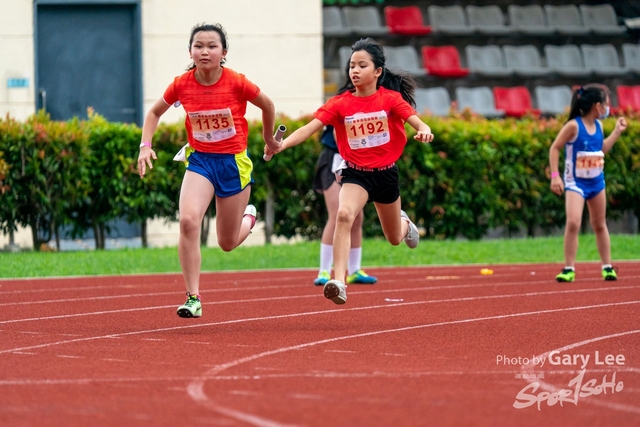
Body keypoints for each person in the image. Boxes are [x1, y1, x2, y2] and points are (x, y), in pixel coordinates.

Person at [266, 37, 434, 304]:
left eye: (361, 65)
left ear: (377, 72)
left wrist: (424, 132)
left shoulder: (391, 100)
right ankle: (339, 281)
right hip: (356, 174)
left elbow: (419, 123)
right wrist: (281, 145)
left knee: (393, 238)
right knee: (344, 215)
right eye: (351, 66)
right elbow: (309, 129)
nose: (354, 71)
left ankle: (406, 224)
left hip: (386, 174)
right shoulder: (340, 103)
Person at [137, 23, 280, 318]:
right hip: (200, 161)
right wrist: (144, 145)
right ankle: (193, 297)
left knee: (226, 243)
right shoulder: (182, 84)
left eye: (212, 46)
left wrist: (269, 140)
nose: (204, 51)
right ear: (190, 51)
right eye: (198, 46)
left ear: (223, 53)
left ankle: (248, 218)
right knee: (188, 221)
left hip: (232, 164)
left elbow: (267, 105)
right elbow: (154, 112)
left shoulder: (237, 82)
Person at [549, 84, 627, 282]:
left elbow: (602, 149)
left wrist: (617, 132)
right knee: (573, 222)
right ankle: (568, 268)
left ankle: (607, 267)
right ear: (597, 105)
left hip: (596, 182)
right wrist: (555, 176)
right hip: (576, 182)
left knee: (600, 224)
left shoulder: (599, 127)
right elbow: (555, 148)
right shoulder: (574, 126)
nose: (608, 108)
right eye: (606, 104)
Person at [313, 124, 378, 287]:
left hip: (356, 160)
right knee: (336, 215)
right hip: (335, 158)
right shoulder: (343, 100)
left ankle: (354, 270)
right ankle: (324, 271)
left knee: (356, 217)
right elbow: (336, 129)